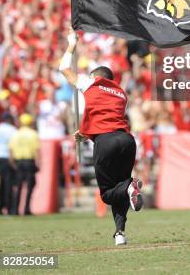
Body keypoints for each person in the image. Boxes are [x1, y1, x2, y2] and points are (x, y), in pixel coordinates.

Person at [59, 28, 143, 247]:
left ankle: (129, 188)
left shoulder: (92, 83)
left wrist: (71, 44)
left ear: (96, 77)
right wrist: (86, 133)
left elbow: (64, 69)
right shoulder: (122, 93)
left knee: (107, 194)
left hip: (106, 142)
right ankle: (120, 233)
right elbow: (107, 115)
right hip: (125, 140)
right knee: (122, 185)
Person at [9, 114, 40, 216]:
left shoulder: (15, 134)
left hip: (18, 162)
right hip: (29, 162)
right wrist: (38, 164)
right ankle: (26, 209)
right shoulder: (33, 134)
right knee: (30, 187)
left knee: (18, 187)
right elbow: (37, 151)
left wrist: (13, 163)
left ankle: (14, 210)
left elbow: (11, 151)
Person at [0, 112, 17, 215]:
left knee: (2, 183)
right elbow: (13, 145)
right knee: (9, 184)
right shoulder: (12, 130)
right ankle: (8, 207)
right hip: (8, 158)